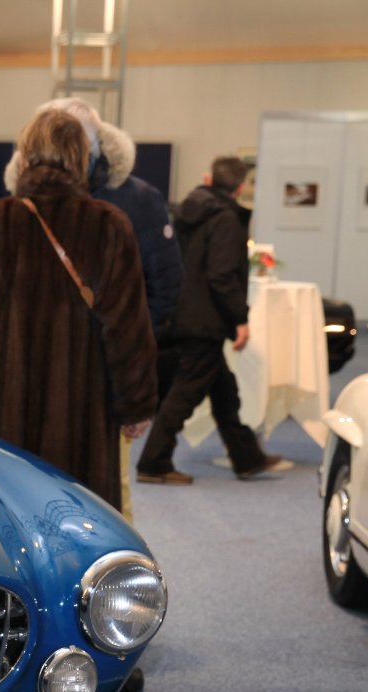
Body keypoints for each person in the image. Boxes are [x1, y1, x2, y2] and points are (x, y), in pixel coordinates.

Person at [0, 108, 157, 513]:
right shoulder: (109, 227)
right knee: (82, 525)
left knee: (5, 527)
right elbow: (127, 333)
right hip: (83, 427)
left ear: (23, 157)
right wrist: (135, 405)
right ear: (83, 160)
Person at [5, 98, 181, 524]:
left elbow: (158, 296)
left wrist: (130, 390)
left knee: (82, 507)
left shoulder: (134, 202)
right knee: (88, 511)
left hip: (71, 388)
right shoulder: (14, 214)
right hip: (61, 388)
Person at [136, 156, 290, 484]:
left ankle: (247, 457)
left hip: (180, 311)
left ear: (209, 179)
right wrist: (240, 319)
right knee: (185, 395)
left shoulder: (185, 213)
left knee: (224, 391)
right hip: (204, 320)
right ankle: (153, 462)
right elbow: (222, 276)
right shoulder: (226, 219)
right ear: (240, 187)